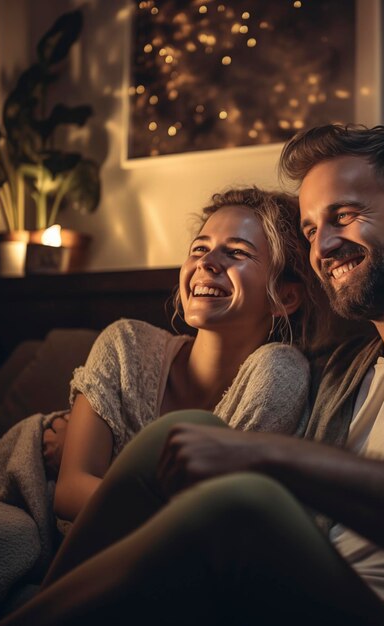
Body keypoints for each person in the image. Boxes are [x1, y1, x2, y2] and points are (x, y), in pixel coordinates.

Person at [0, 125, 384, 626]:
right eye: (310, 230)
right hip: (278, 592)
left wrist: (265, 459)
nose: (324, 247)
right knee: (170, 436)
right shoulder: (339, 370)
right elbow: (254, 338)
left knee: (241, 502)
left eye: (345, 216)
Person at [45, 186, 314, 523]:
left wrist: (109, 474)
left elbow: (212, 519)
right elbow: (68, 492)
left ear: (285, 298)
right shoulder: (125, 343)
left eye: (236, 252)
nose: (206, 262)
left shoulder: (281, 374)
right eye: (199, 248)